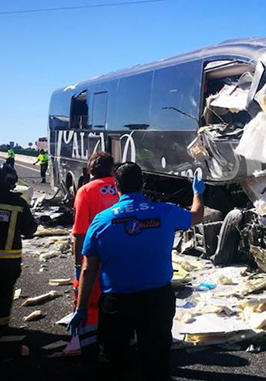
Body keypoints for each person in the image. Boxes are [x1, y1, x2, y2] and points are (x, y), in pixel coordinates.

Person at [70, 163, 205, 381]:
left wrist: (82, 307)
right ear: (142, 184)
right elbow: (196, 215)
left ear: (116, 187)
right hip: (157, 300)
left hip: (116, 304)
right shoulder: (165, 211)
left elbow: (89, 268)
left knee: (119, 363)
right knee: (156, 360)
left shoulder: (101, 221)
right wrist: (197, 192)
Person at [0, 164, 37, 354]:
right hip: (7, 260)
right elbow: (29, 230)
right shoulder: (18, 203)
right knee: (3, 293)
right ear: (12, 181)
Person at [71, 152, 119, 371]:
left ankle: (91, 357)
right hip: (120, 259)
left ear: (90, 170)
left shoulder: (86, 191)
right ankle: (115, 351)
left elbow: (80, 232)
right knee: (117, 305)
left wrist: (78, 265)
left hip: (94, 260)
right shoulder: (122, 189)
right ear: (112, 170)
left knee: (89, 307)